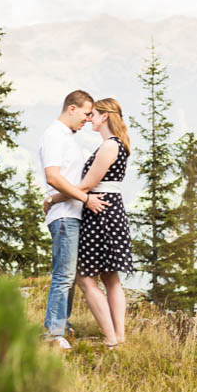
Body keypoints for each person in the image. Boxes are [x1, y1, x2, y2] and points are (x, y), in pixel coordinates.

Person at [46, 97, 134, 348]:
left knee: (86, 278)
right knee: (111, 278)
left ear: (105, 116)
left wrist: (52, 199)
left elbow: (86, 185)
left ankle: (110, 338)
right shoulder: (118, 144)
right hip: (112, 210)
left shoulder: (108, 146)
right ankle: (119, 337)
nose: (90, 119)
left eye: (94, 114)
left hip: (101, 213)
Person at [38, 90, 109, 350]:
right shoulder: (54, 135)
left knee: (69, 274)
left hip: (70, 212)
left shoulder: (66, 137)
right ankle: (53, 333)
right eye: (86, 113)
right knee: (64, 275)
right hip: (66, 216)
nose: (88, 119)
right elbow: (53, 176)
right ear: (71, 108)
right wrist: (85, 198)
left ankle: (61, 326)